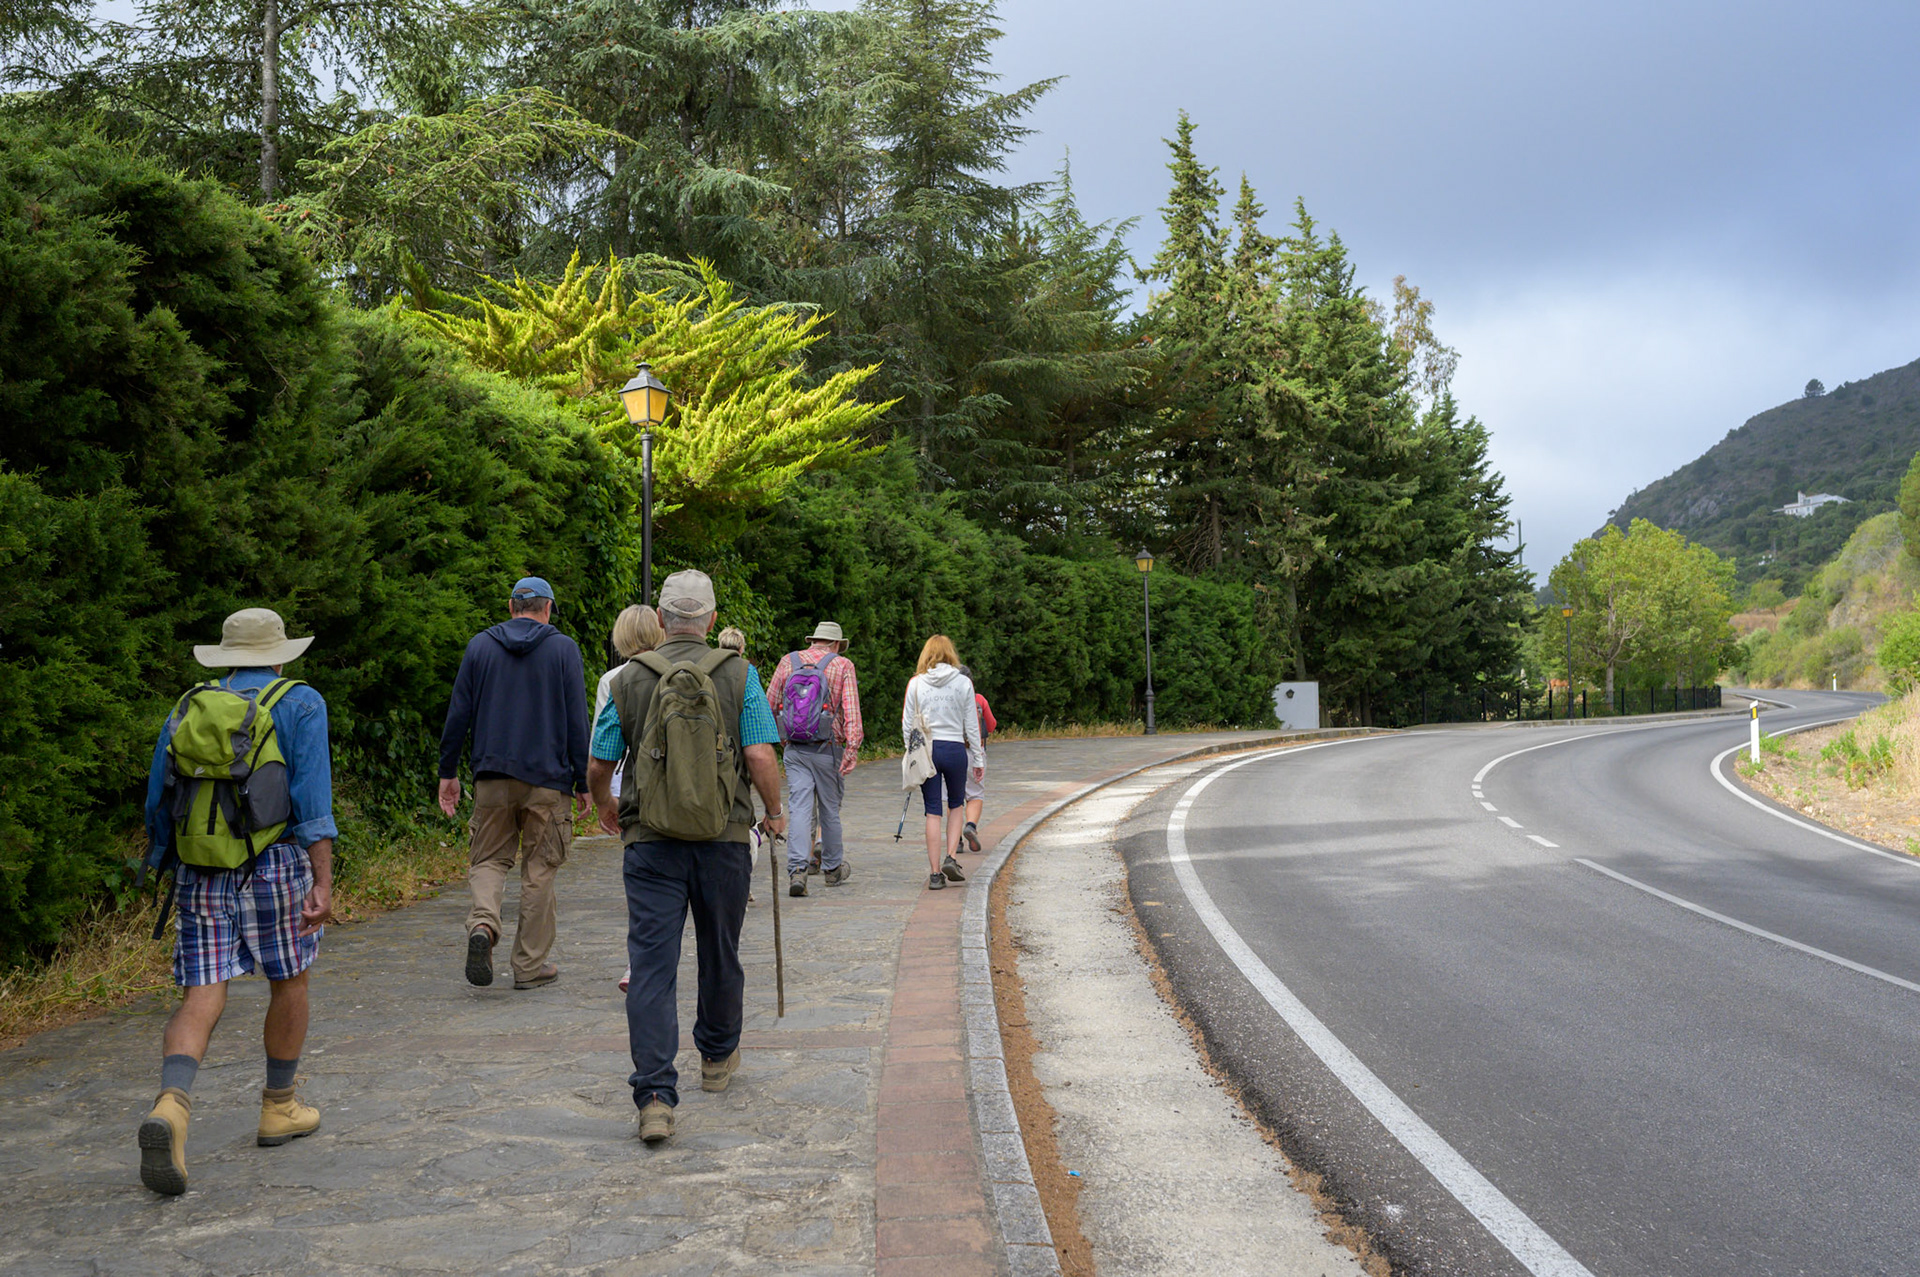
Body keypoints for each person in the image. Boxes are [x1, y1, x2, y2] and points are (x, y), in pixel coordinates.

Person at [135, 608, 335, 1196]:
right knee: (290, 979)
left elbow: (158, 796)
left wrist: (165, 860)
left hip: (200, 870)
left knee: (202, 994)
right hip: (274, 867)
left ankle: (172, 1107)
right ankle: (279, 1106)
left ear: (223, 658)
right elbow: (313, 805)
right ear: (279, 655)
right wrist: (322, 882)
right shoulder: (299, 703)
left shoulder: (188, 706)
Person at [585, 570, 787, 1145]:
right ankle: (718, 1058)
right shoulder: (740, 675)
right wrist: (773, 813)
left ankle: (654, 1096)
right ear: (712, 621)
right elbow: (759, 754)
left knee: (651, 966)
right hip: (723, 839)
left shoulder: (628, 679)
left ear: (660, 619)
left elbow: (600, 761)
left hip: (650, 842)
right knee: (720, 949)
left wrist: (605, 804)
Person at [438, 576, 590, 991]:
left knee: (487, 859)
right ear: (547, 609)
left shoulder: (480, 647)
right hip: (547, 781)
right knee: (539, 868)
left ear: (510, 607)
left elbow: (458, 715)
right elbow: (577, 719)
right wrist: (583, 780)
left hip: (492, 776)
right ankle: (529, 966)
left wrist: (447, 772)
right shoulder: (563, 649)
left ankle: (484, 926)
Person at [767, 621, 864, 897]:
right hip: (828, 748)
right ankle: (832, 869)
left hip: (795, 749)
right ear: (836, 644)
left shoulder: (789, 661)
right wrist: (852, 747)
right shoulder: (842, 665)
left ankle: (798, 869)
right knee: (829, 808)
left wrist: (782, 736)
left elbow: (769, 702)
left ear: (814, 641)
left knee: (799, 807)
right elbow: (852, 710)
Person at [602, 605, 665, 995]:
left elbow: (603, 746)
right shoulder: (673, 670)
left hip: (628, 790)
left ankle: (637, 961)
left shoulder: (612, 679)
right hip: (673, 786)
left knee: (639, 882)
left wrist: (601, 797)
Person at [902, 635, 982, 891]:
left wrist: (912, 755)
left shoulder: (915, 683)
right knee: (957, 804)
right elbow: (972, 725)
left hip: (928, 750)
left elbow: (907, 725)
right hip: (956, 748)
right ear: (951, 654)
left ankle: (935, 873)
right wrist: (978, 758)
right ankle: (952, 857)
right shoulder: (963, 683)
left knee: (932, 810)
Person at [958, 665, 997, 852]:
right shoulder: (979, 699)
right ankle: (971, 826)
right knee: (974, 795)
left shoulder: (947, 702)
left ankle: (955, 839)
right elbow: (990, 726)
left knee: (953, 797)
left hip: (952, 751)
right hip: (975, 752)